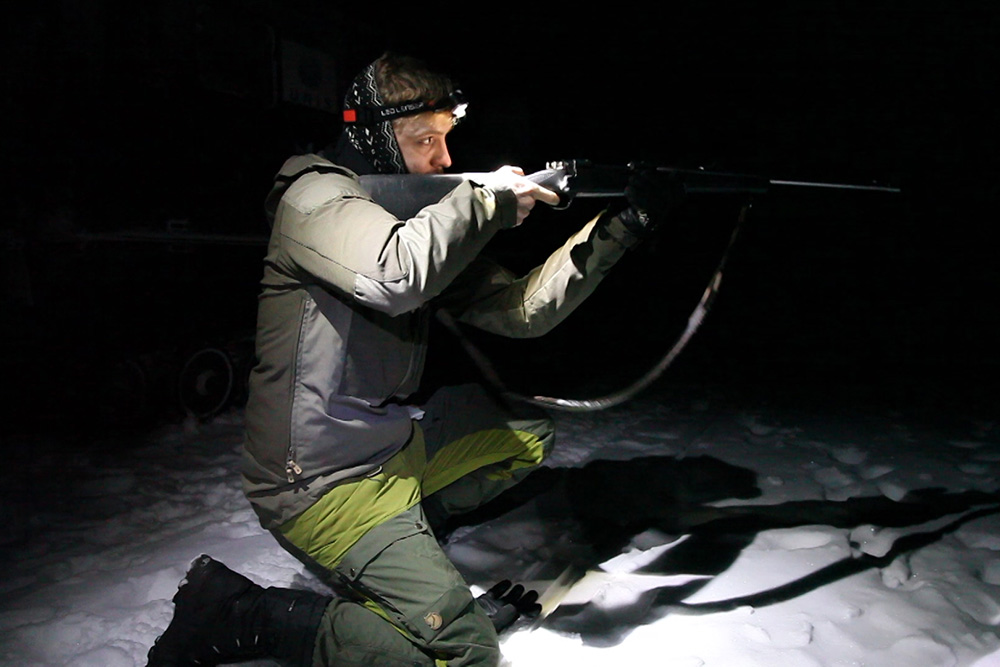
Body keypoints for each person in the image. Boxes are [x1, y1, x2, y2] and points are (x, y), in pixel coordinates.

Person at [147, 52, 676, 666]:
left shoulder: (409, 219)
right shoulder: (314, 197)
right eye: (426, 140)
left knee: (527, 434)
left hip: (389, 451)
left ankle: (411, 547)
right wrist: (488, 200)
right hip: (320, 484)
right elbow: (395, 275)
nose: (445, 160)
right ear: (374, 139)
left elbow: (522, 309)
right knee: (464, 654)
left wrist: (622, 227)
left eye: (447, 139)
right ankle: (254, 616)